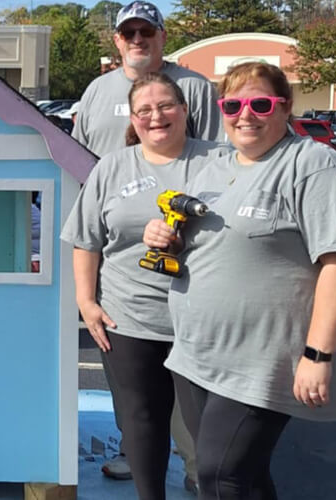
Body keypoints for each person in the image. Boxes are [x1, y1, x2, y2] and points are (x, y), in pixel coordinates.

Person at [143, 61, 336, 499]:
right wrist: (166, 239)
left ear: (285, 107)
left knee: (221, 476)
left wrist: (318, 355)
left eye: (260, 103)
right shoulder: (214, 168)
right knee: (244, 478)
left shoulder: (313, 164)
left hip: (263, 359)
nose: (246, 114)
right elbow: (210, 246)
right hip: (197, 353)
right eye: (233, 104)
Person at [63, 72, 227, 500]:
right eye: (145, 110)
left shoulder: (221, 161)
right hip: (129, 317)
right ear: (133, 120)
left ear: (185, 111)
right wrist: (86, 301)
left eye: (166, 106)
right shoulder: (112, 167)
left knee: (210, 431)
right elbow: (85, 239)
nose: (157, 116)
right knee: (141, 421)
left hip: (203, 321)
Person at [73, 1, 223, 158]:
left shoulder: (196, 88)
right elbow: (75, 156)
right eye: (128, 33)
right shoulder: (96, 89)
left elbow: (215, 155)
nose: (137, 40)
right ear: (117, 40)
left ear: (163, 37)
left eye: (147, 31)